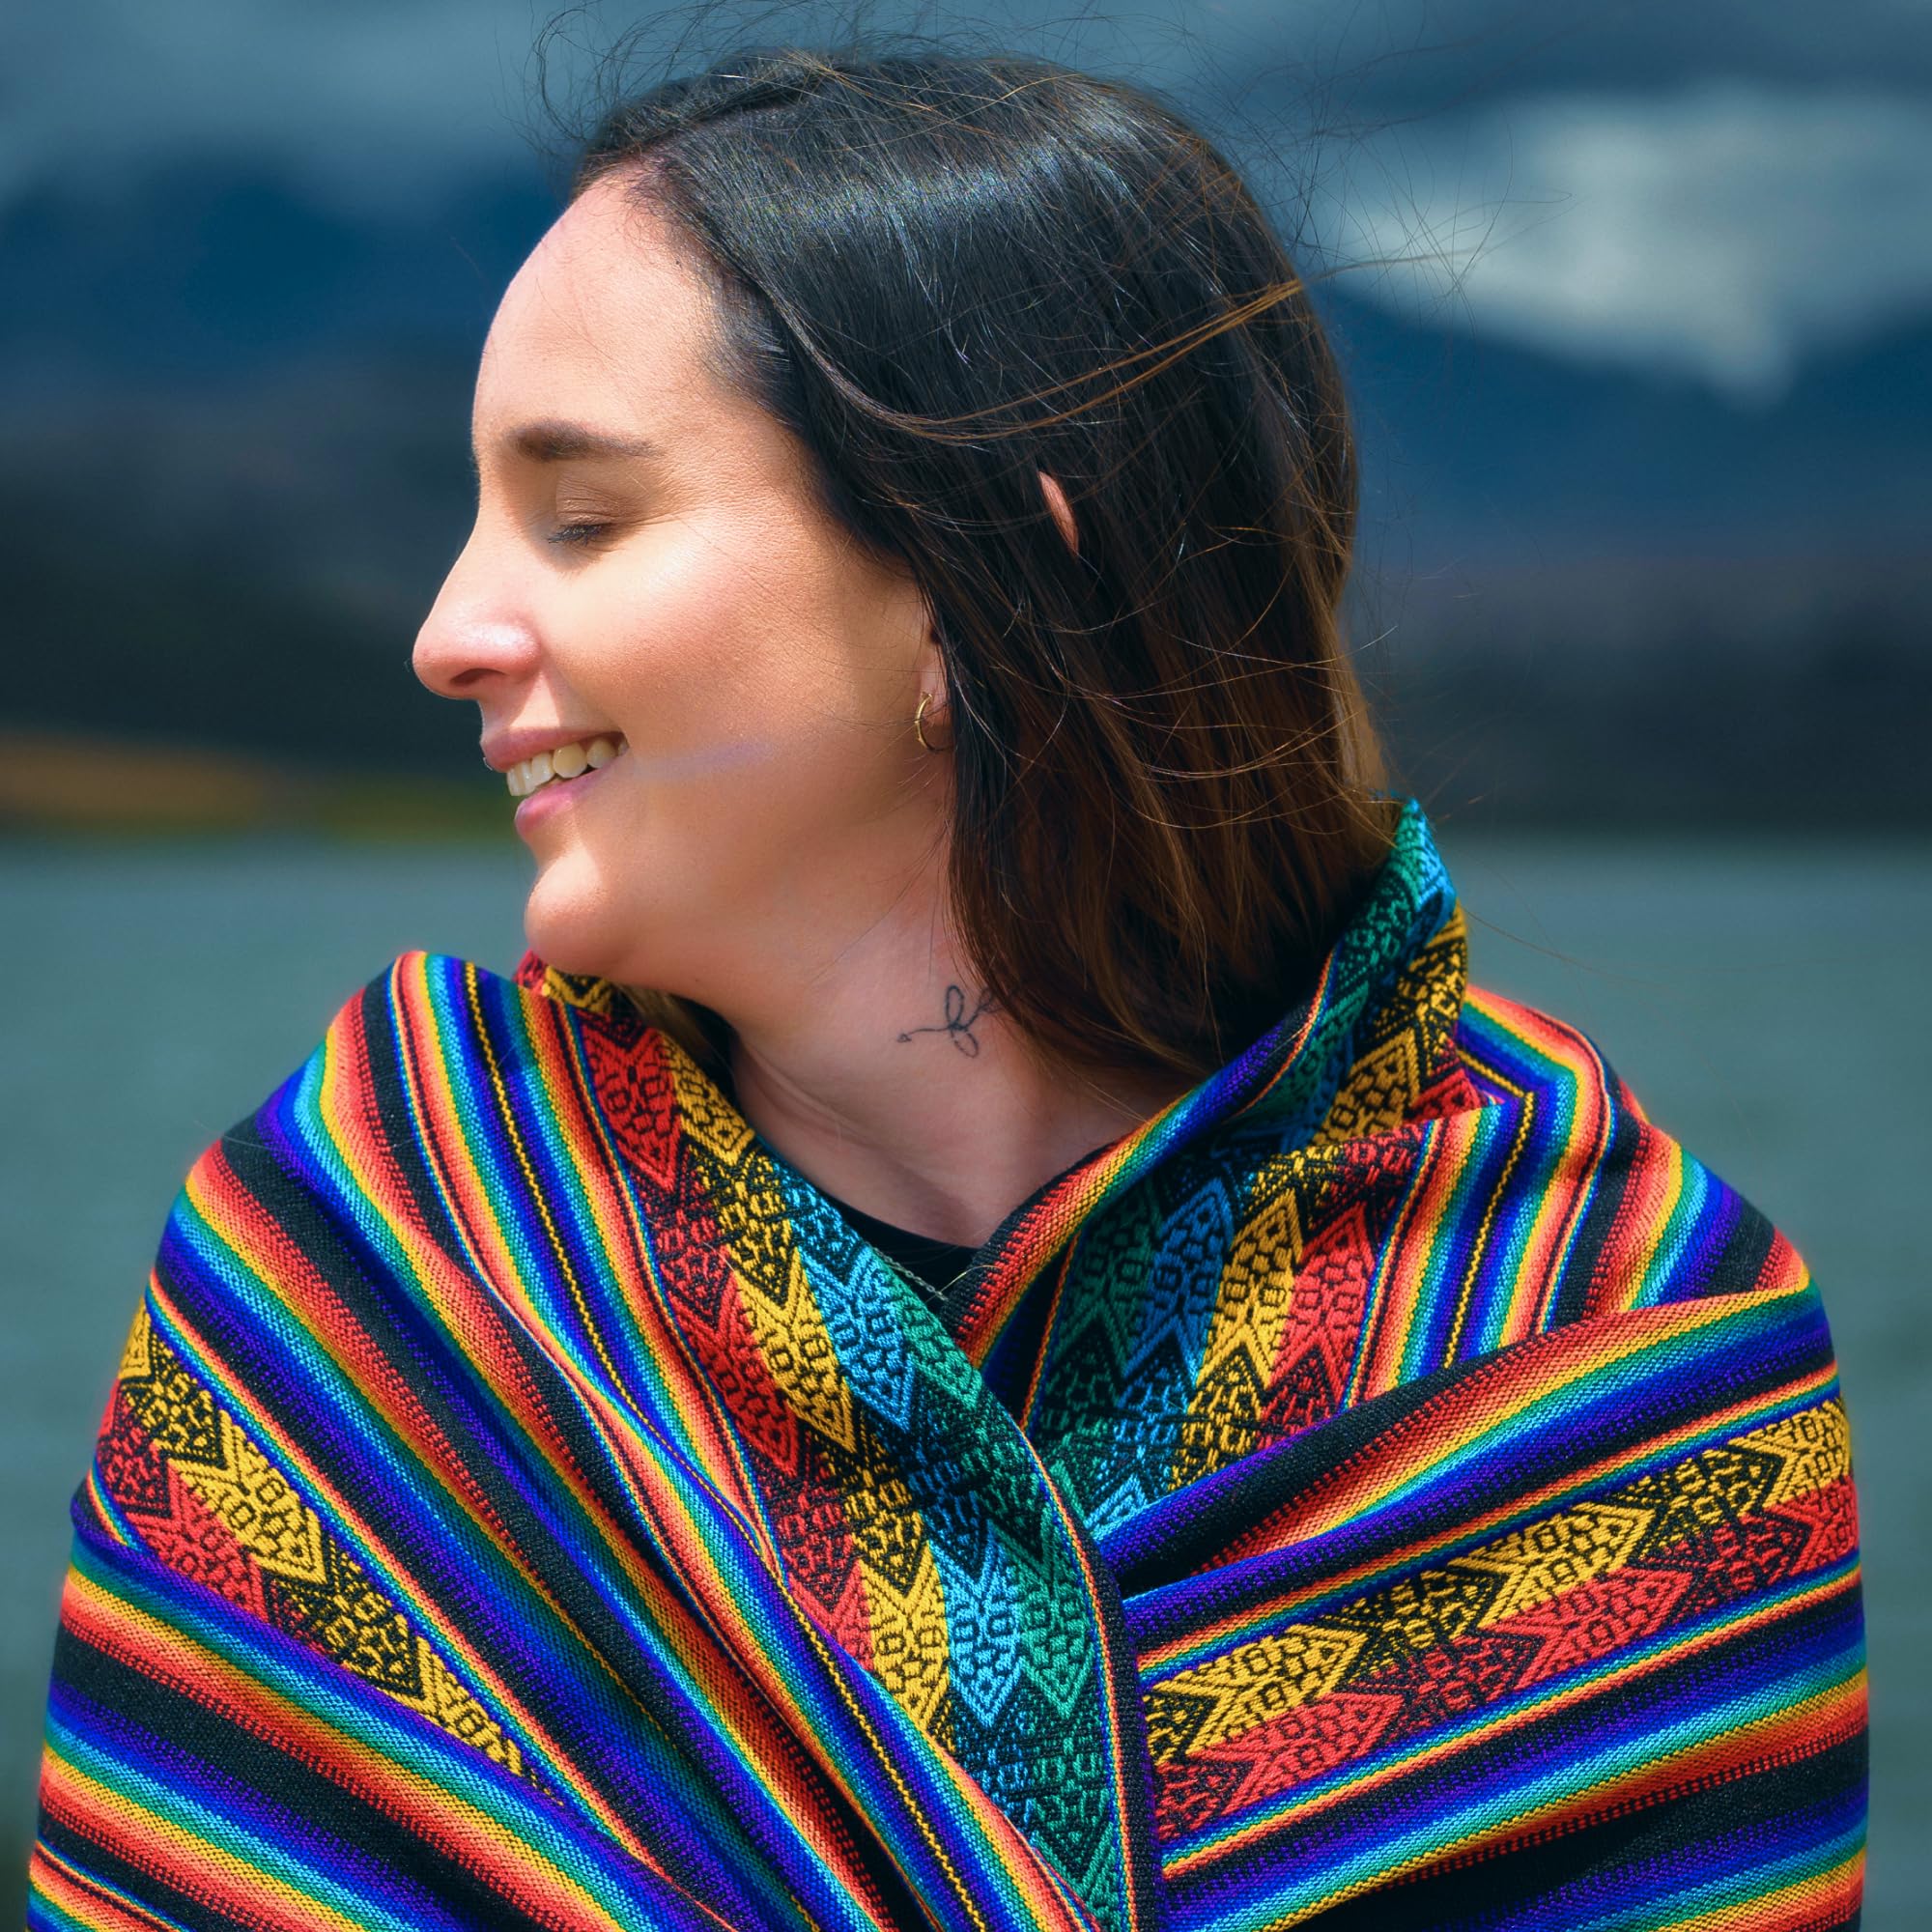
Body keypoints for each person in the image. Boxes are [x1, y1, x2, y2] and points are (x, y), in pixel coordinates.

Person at [28, 45, 1864, 1932]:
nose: (444, 633)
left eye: (580, 519)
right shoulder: (357, 1281)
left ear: (980, 590)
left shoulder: (1628, 1327)